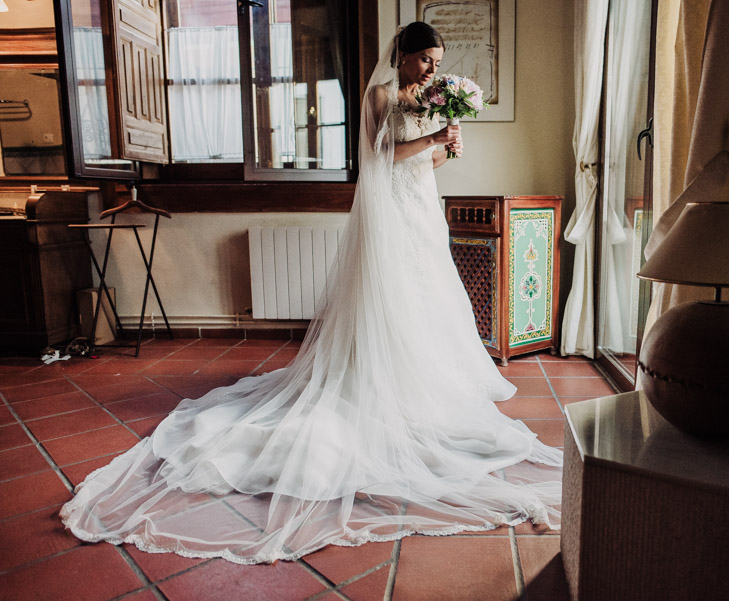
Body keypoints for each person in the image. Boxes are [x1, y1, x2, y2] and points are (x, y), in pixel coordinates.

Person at [60, 22, 562, 564]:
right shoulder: (379, 95)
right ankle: (379, 378)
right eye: (425, 60)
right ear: (403, 56)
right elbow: (381, 156)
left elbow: (427, 160)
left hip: (422, 210)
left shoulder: (430, 99)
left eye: (438, 62)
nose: (433, 70)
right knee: (393, 296)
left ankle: (430, 382)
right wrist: (434, 139)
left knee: (431, 298)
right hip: (390, 214)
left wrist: (450, 147)